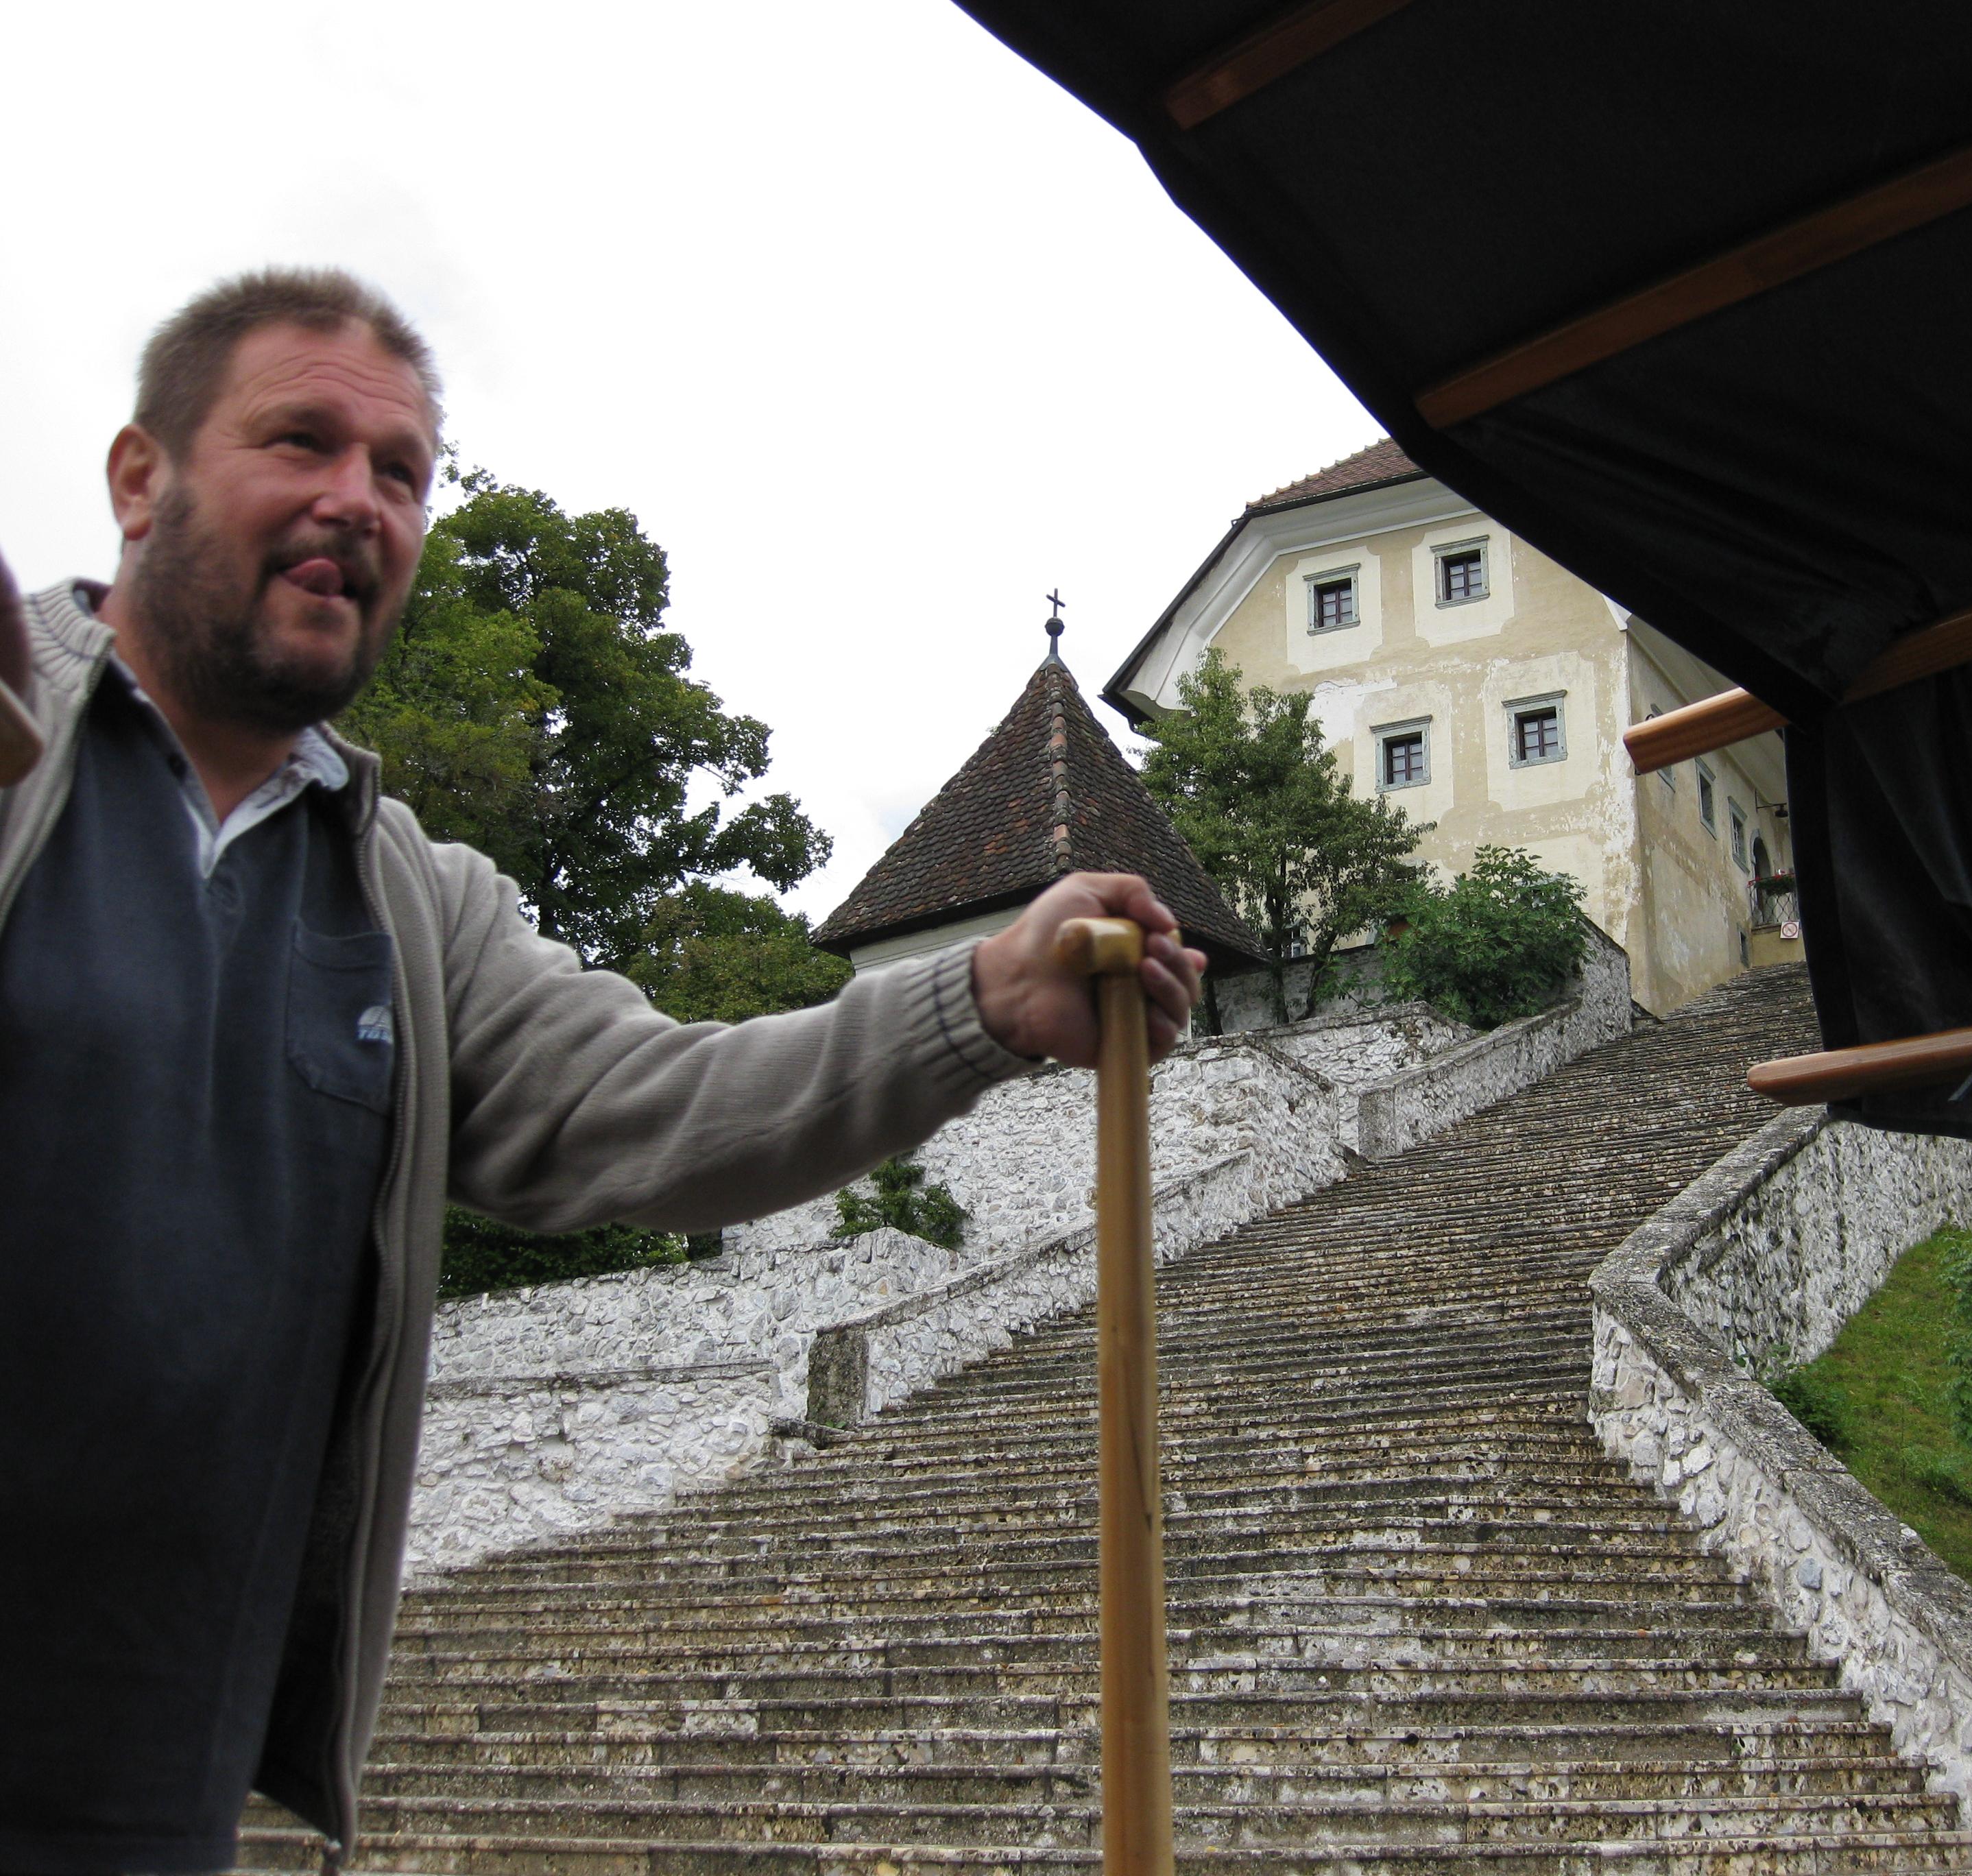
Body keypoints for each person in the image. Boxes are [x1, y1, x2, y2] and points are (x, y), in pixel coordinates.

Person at [0, 269, 1206, 1876]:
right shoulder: (14, 739)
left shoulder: (409, 907)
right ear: (140, 476)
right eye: (300, 440)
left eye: (402, 471)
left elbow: (658, 1107)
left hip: (148, 1770)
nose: (358, 498)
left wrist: (976, 1001)